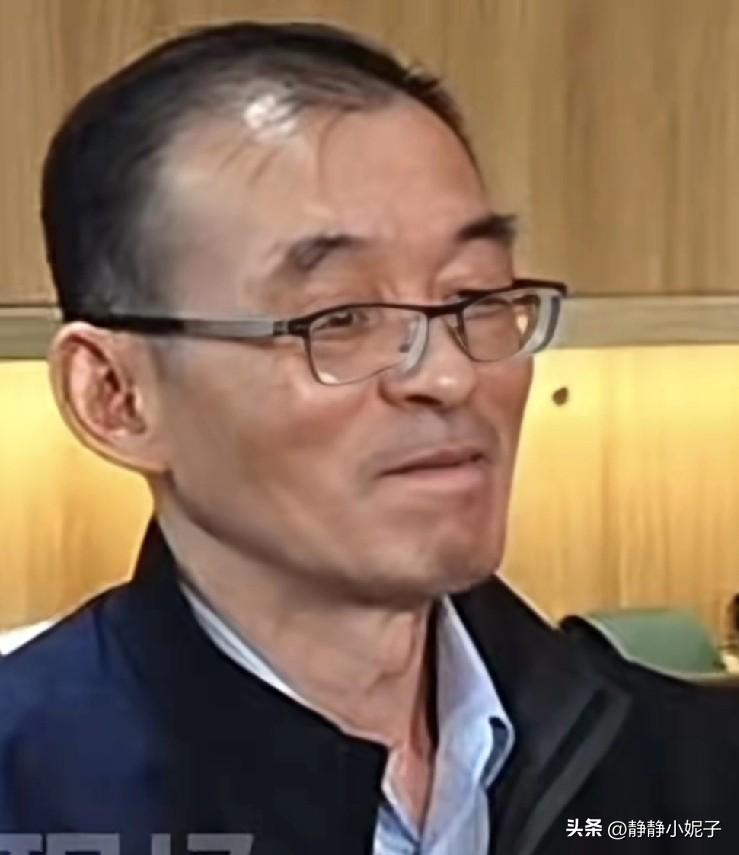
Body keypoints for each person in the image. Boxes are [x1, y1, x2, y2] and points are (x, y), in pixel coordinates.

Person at [0, 21, 736, 855]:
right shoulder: (29, 800)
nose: (449, 375)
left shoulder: (690, 776)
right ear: (115, 395)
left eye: (472, 297)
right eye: (341, 317)